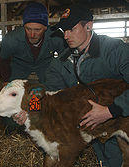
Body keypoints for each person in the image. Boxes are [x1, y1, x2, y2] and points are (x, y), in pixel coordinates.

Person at [14, 4, 129, 167]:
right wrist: (30, 110)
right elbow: (47, 93)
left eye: (71, 29)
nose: (66, 36)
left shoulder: (115, 50)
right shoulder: (60, 62)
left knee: (117, 155)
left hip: (121, 115)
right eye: (64, 31)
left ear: (88, 26)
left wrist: (110, 111)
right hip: (91, 124)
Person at [0, 2, 67, 134]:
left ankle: (44, 124)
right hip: (19, 65)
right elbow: (2, 60)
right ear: (24, 26)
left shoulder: (56, 36)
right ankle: (13, 128)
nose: (32, 34)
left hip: (45, 65)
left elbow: (65, 58)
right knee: (12, 94)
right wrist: (6, 81)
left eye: (37, 30)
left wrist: (61, 79)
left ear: (45, 27)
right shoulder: (11, 39)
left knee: (50, 93)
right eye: (28, 29)